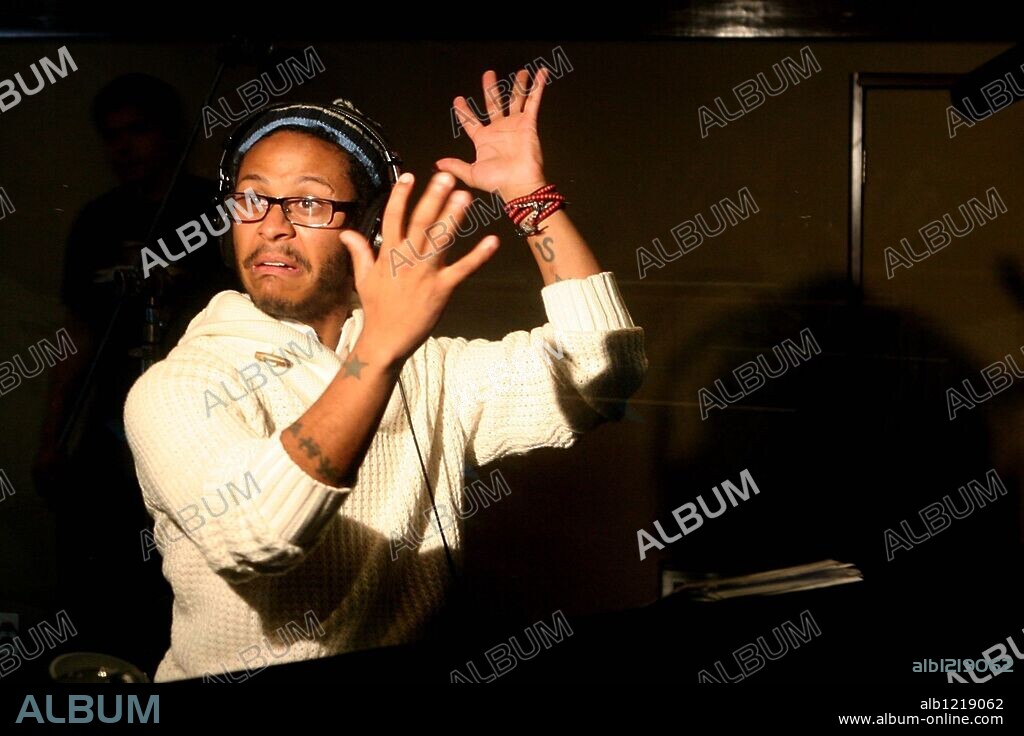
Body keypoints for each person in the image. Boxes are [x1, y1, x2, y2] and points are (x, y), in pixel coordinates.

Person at [123, 66, 648, 682]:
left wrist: (528, 198)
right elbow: (256, 535)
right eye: (251, 197)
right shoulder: (175, 387)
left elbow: (602, 370)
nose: (272, 223)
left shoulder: (426, 370)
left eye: (310, 201)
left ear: (365, 226)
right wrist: (380, 349)